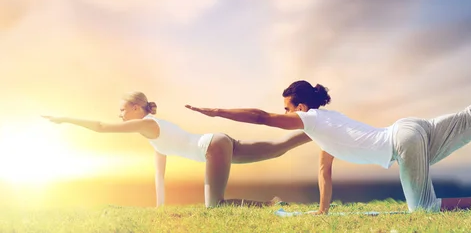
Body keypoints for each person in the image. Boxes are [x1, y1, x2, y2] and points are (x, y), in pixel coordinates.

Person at [185, 54, 471, 214]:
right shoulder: (329, 122)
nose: (283, 114)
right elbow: (324, 171)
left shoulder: (311, 120)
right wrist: (321, 211)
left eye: (286, 108)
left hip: (403, 141)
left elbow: (259, 118)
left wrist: (215, 111)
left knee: (424, 210)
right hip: (409, 129)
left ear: (299, 106)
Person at [42, 91, 311, 208]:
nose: (120, 114)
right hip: (217, 143)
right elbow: (160, 175)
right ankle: (318, 132)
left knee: (214, 207)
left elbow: (101, 126)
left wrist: (66, 119)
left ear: (137, 108)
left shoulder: (147, 124)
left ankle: (271, 204)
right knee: (277, 149)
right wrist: (160, 206)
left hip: (212, 147)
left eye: (123, 110)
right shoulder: (153, 132)